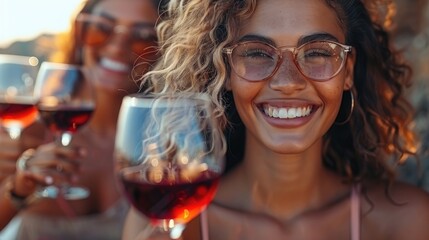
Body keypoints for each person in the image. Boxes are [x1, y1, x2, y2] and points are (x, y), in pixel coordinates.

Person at [123, 0, 429, 239]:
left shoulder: (406, 222)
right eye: (257, 53)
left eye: (317, 52)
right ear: (226, 70)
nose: (288, 81)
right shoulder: (170, 220)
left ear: (347, 72)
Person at [0, 0, 167, 239]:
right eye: (101, 28)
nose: (118, 47)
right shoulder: (22, 134)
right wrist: (18, 188)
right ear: (80, 33)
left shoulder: (169, 145)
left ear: (165, 48)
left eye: (142, 36)